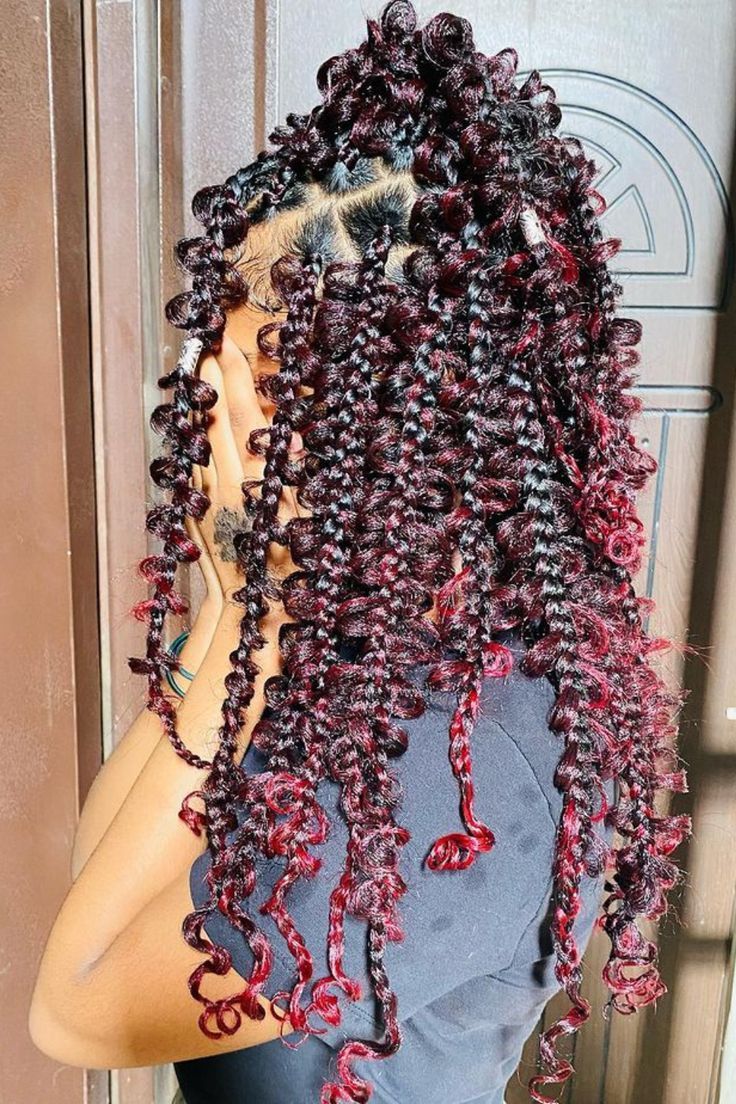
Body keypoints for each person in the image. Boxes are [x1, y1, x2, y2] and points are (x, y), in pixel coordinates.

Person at [29, 4, 691, 1103]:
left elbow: (78, 1004)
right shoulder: (340, 615)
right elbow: (105, 870)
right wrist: (231, 617)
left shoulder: (478, 764)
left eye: (254, 377)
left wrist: (247, 625)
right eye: (211, 364)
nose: (206, 405)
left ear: (405, 418)